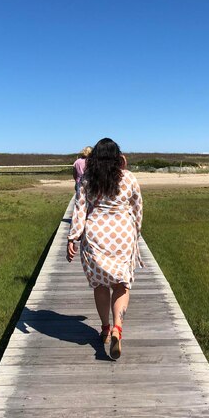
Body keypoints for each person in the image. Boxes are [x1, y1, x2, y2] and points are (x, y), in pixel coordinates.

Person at [66, 138, 143, 360]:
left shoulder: (88, 180)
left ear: (94, 158)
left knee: (100, 284)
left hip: (96, 234)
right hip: (122, 235)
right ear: (118, 157)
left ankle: (106, 328)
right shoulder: (128, 178)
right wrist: (135, 234)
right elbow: (137, 209)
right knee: (121, 283)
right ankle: (118, 327)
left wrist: (72, 238)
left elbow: (80, 210)